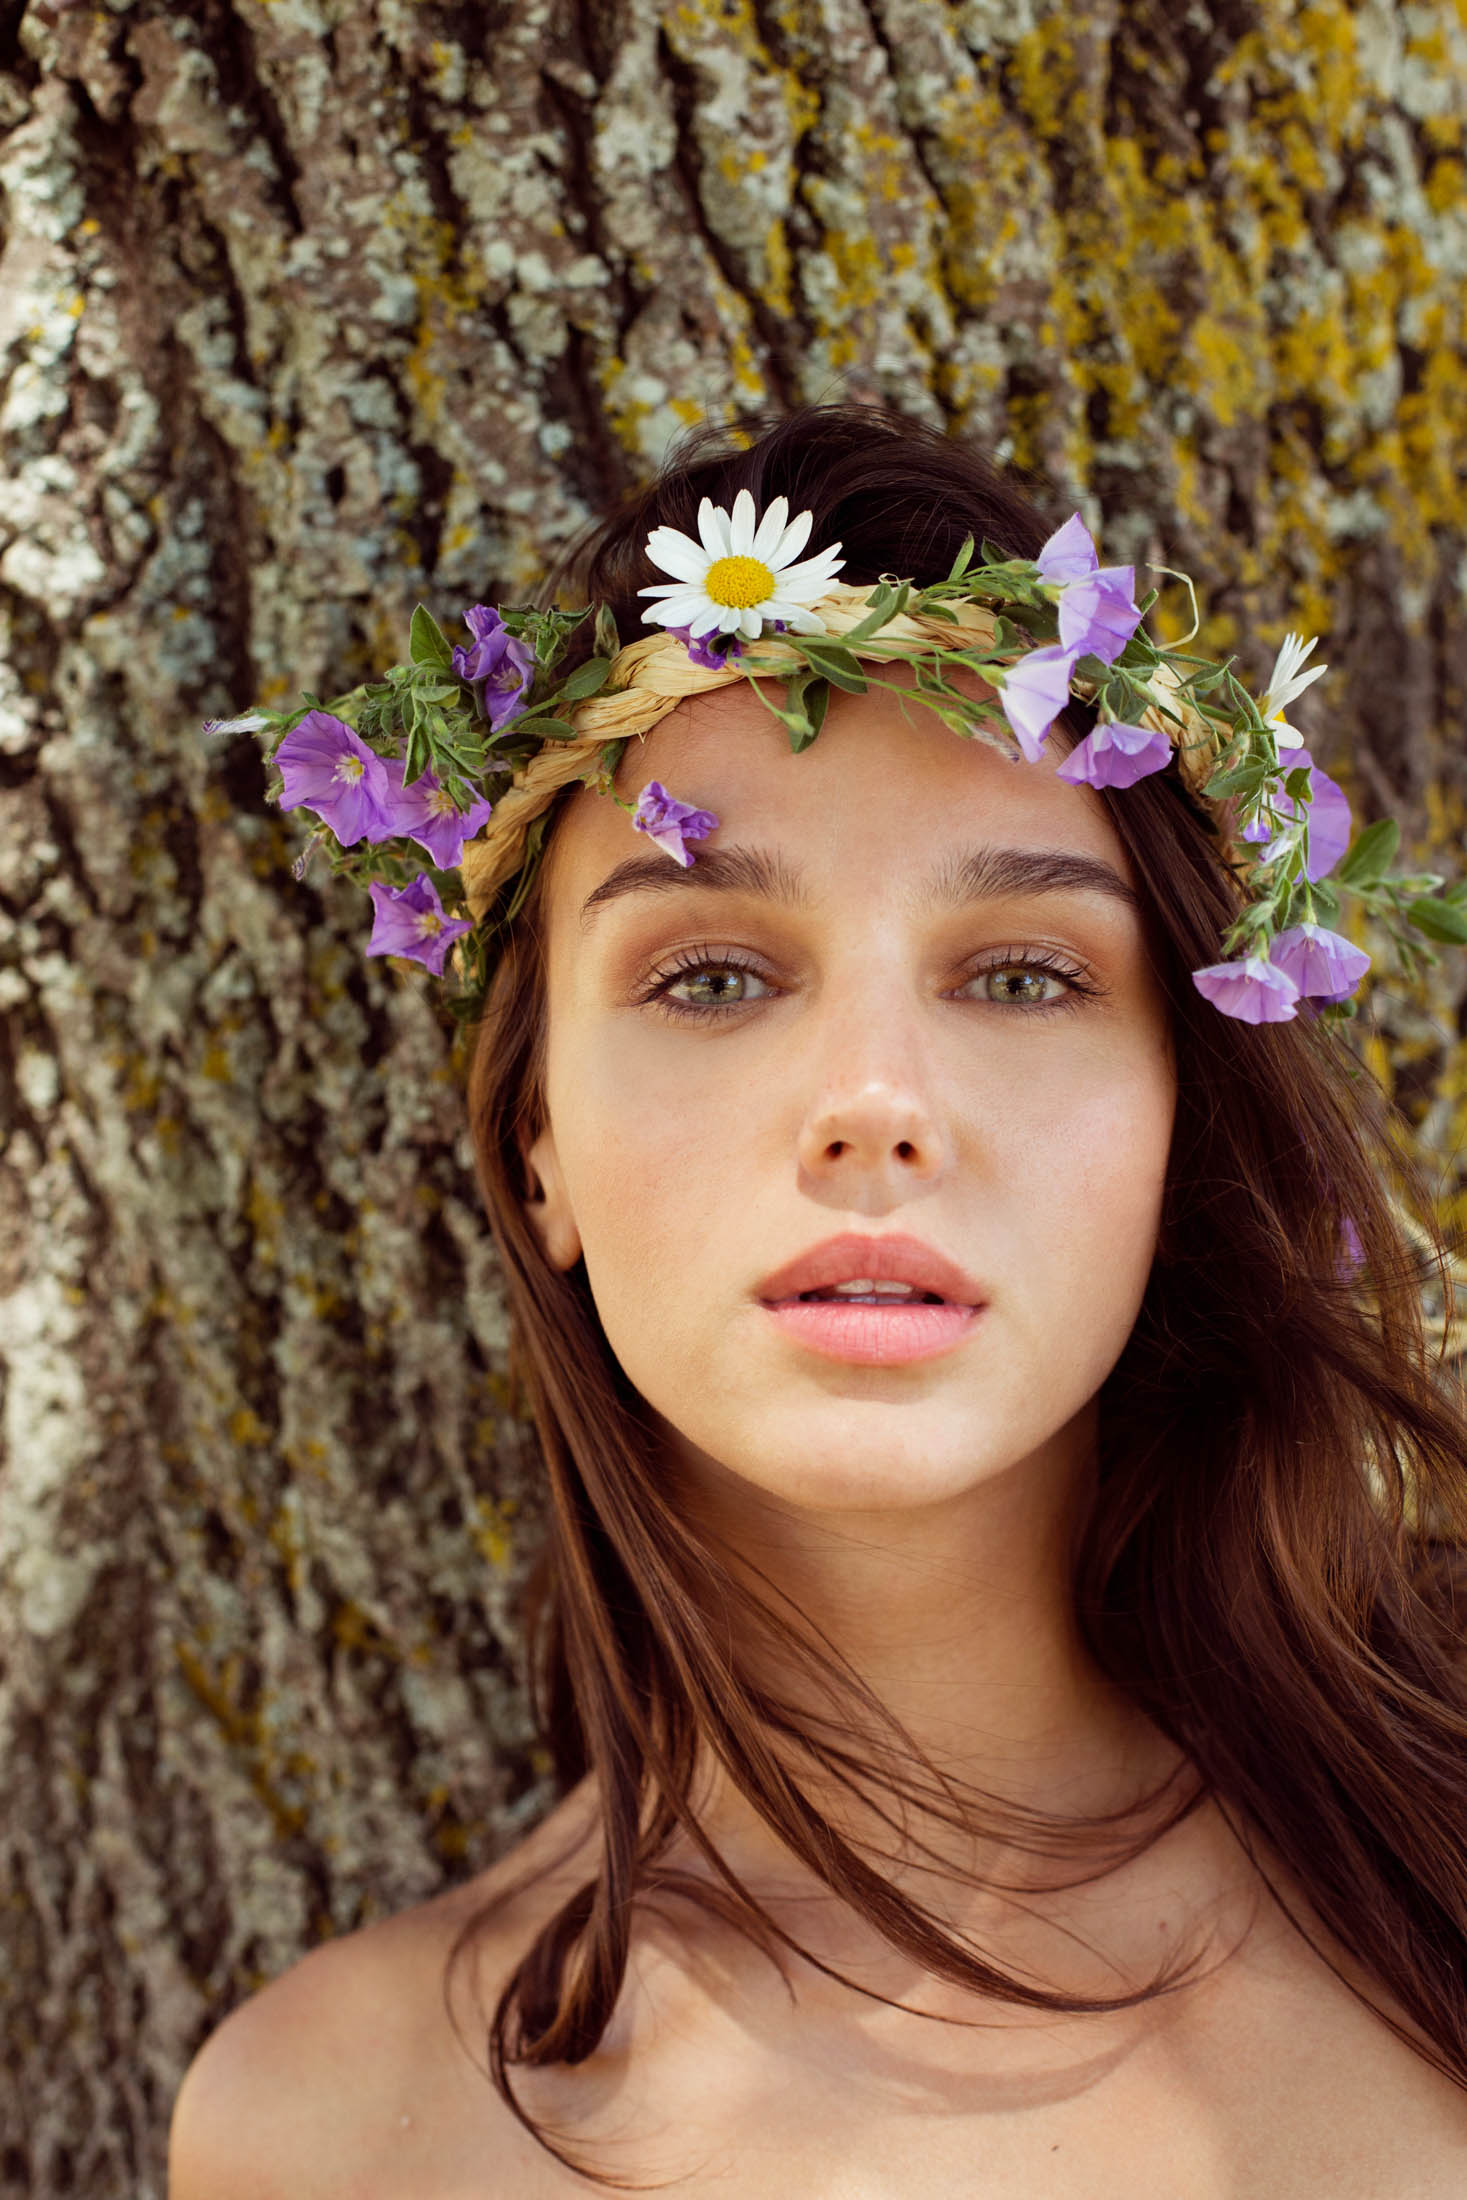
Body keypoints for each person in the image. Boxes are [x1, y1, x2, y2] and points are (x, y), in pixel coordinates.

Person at [170, 406, 1467, 2195]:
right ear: (538, 1135)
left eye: (1020, 973)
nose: (875, 1096)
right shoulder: (321, 2125)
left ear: (1181, 1115)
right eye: (710, 975)